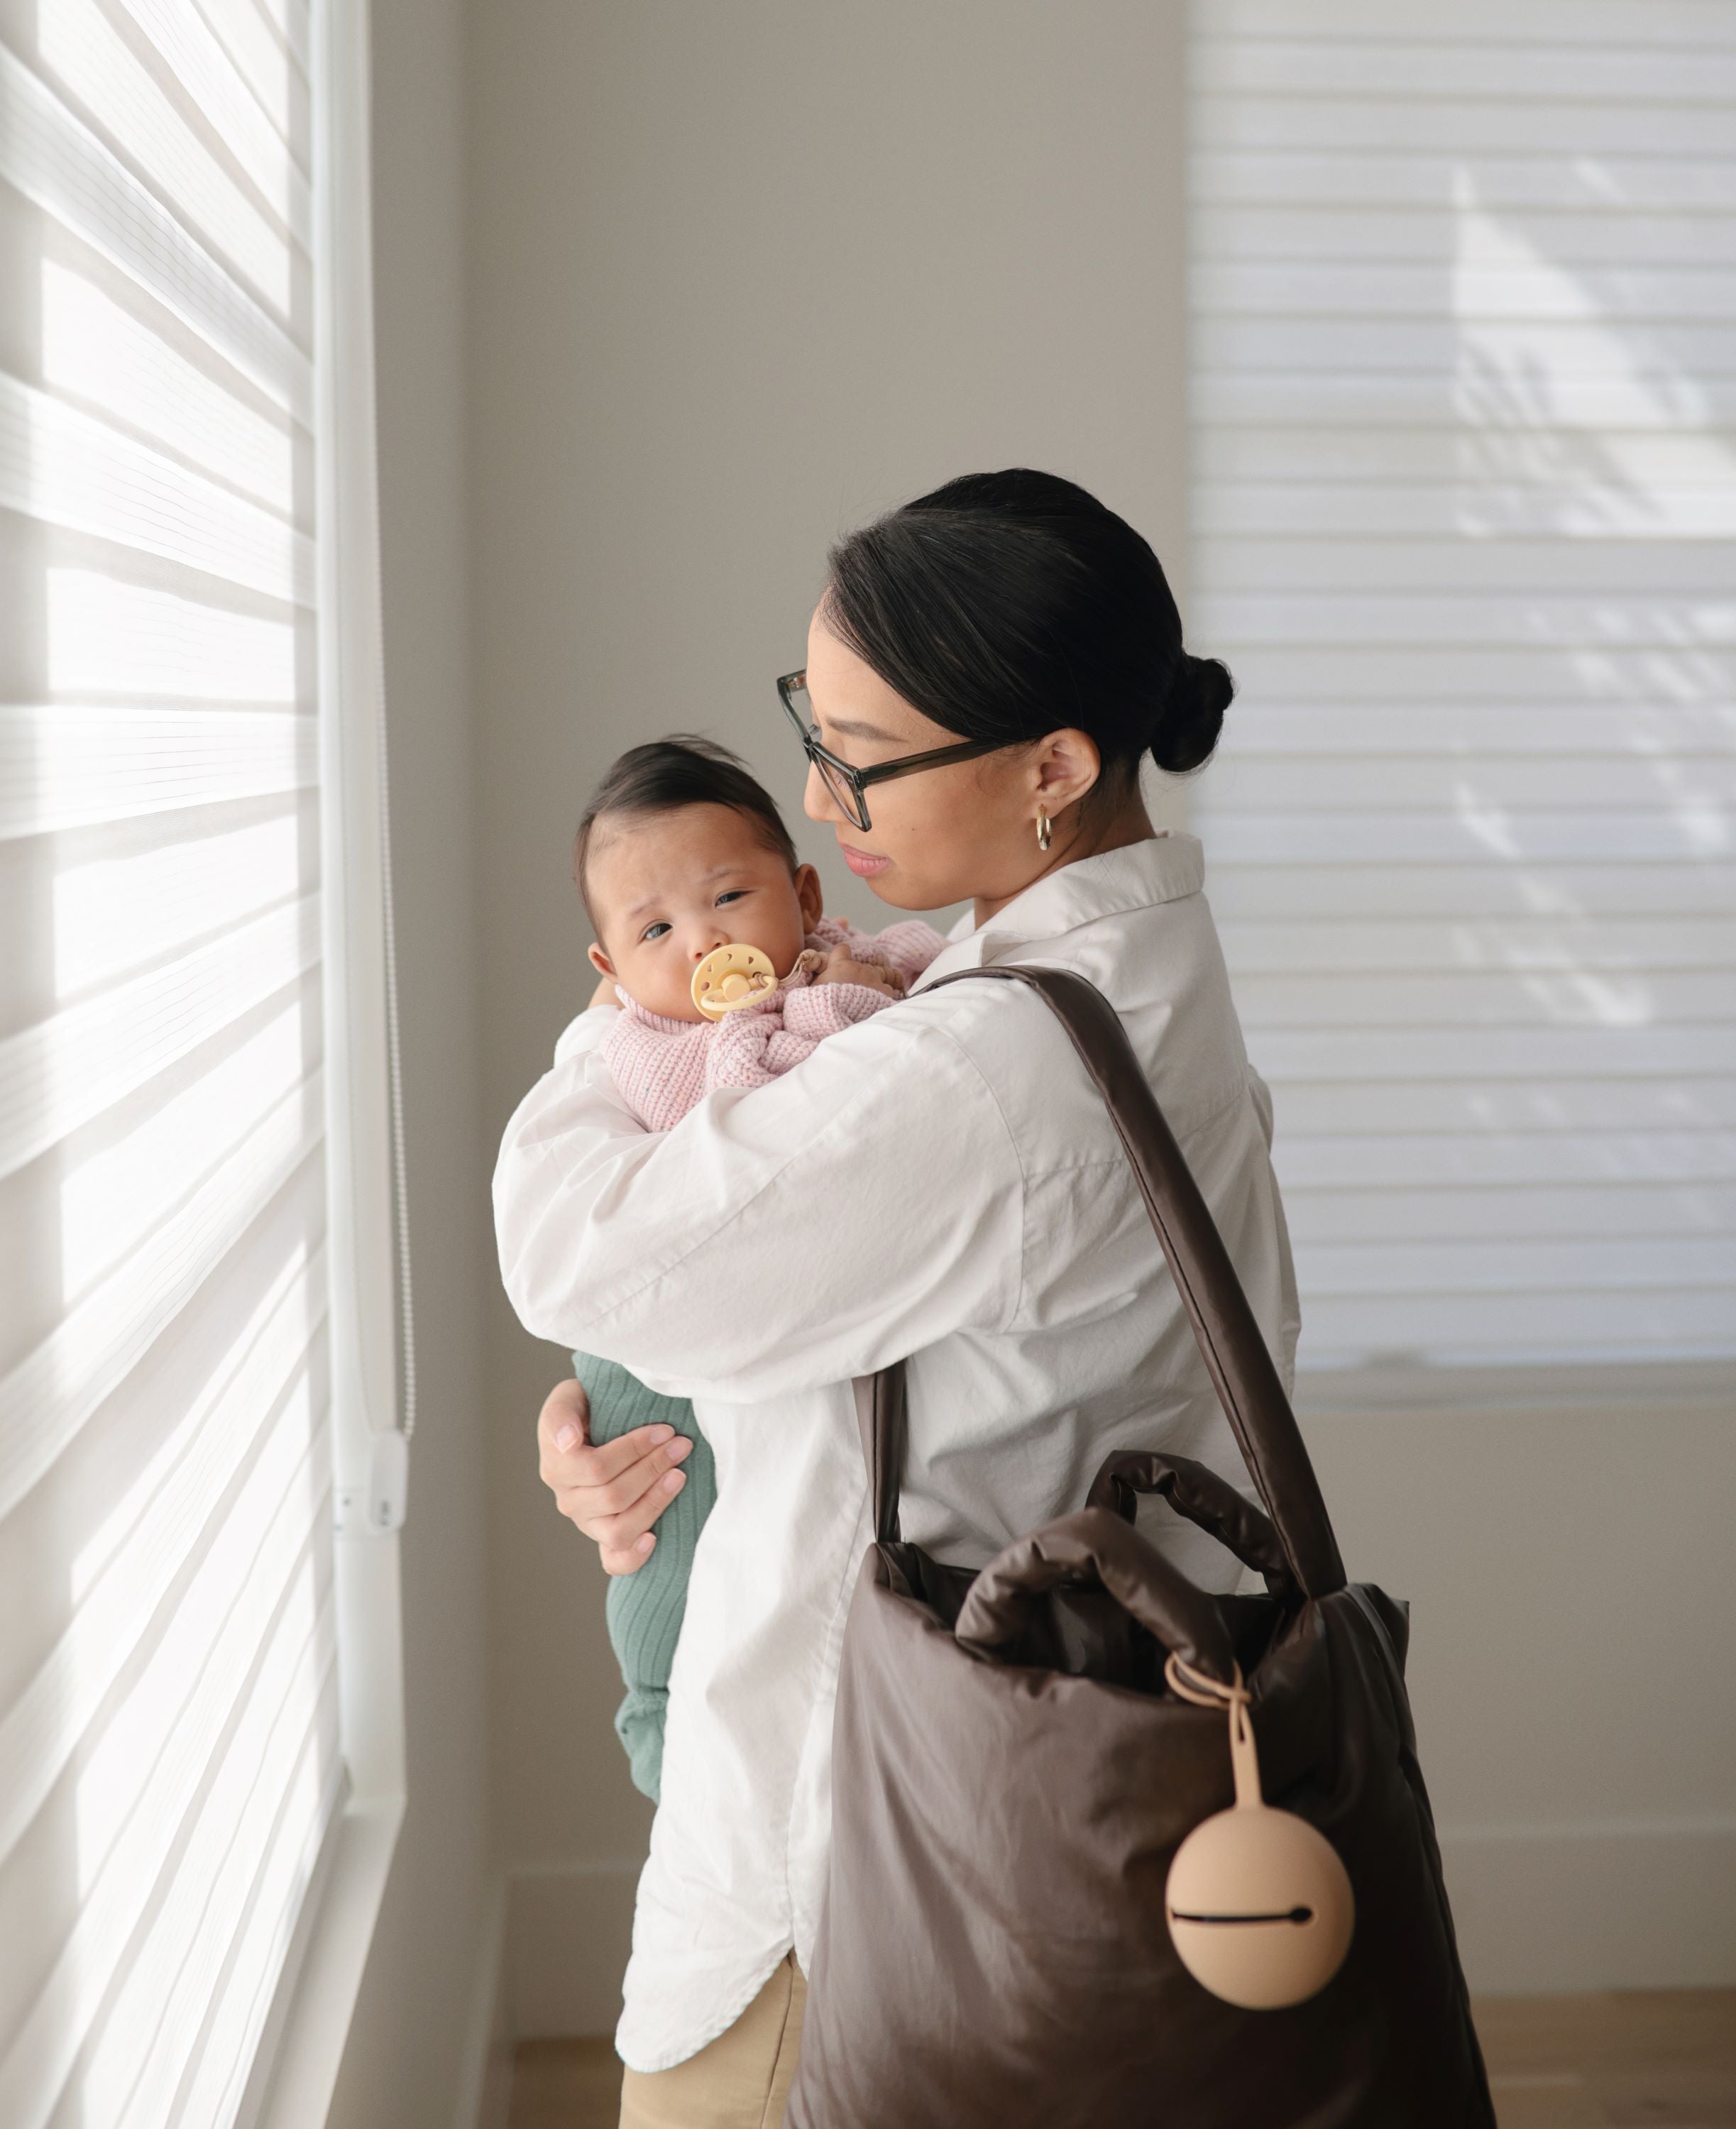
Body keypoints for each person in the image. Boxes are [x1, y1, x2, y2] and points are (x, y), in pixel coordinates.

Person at [495, 468, 1300, 2128]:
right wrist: (668, 1424)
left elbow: (573, 1252)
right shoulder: (1127, 973)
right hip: (1019, 1818)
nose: (813, 790)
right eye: (812, 723)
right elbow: (933, 1346)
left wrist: (628, 1018)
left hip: (845, 1877)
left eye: (859, 752)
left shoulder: (982, 1065)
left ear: (1052, 768)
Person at [568, 735, 946, 1799]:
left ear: (805, 894)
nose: (704, 942)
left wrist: (850, 980)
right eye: (655, 930)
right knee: (666, 1550)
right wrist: (820, 1001)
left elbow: (911, 993)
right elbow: (746, 1105)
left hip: (752, 1315)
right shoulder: (651, 1042)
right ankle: (656, 1714)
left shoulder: (855, 953)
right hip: (645, 1364)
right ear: (611, 973)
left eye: (730, 897)